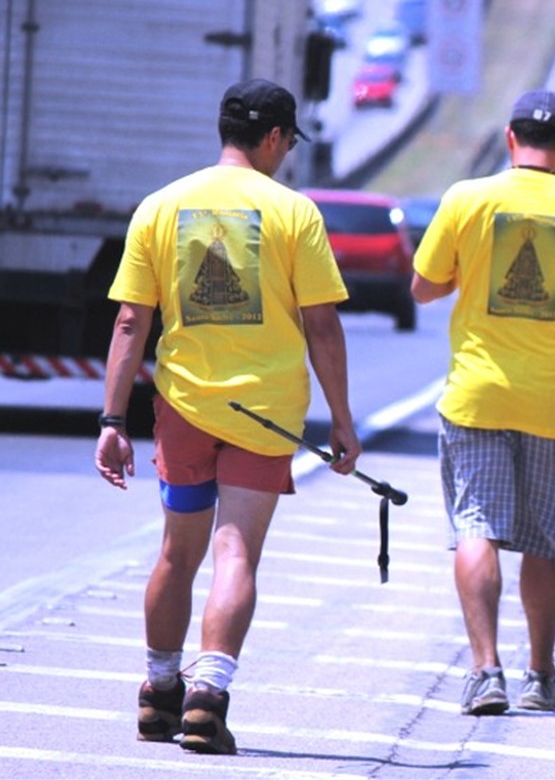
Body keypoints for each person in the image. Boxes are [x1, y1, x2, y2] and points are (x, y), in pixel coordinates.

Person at [94, 78, 363, 756]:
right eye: (287, 142)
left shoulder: (160, 206)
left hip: (184, 407)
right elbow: (323, 325)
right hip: (265, 416)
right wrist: (342, 418)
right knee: (235, 551)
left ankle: (158, 693)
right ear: (272, 137)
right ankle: (207, 697)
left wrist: (111, 421)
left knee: (175, 553)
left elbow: (131, 320)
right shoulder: (294, 212)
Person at [411, 89, 555, 716]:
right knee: (544, 542)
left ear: (509, 138)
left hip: (477, 395)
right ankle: (541, 672)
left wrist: (469, 271)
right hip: (554, 404)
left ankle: (485, 671)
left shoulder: (465, 198)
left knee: (476, 524)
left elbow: (423, 288)